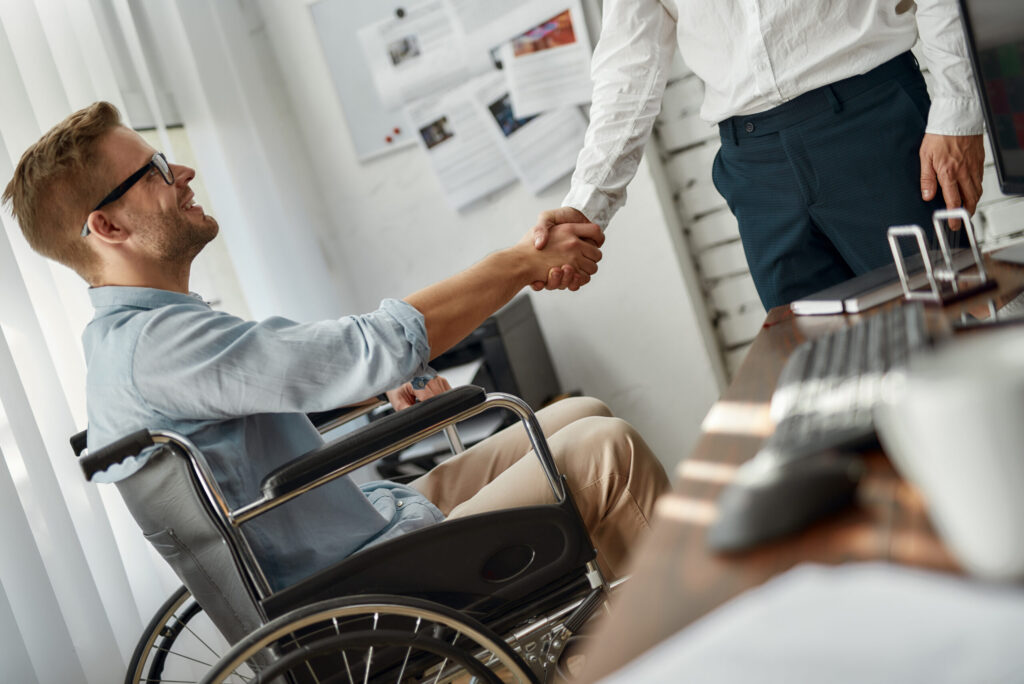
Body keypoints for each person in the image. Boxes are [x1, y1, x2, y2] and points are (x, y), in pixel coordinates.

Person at [2, 102, 669, 592]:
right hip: (363, 582)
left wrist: (370, 383)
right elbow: (363, 347)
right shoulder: (159, 345)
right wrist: (520, 263)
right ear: (107, 225)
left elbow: (265, 409)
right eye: (153, 169)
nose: (182, 168)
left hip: (363, 529)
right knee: (603, 454)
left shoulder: (139, 338)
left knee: (576, 417)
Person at [530, 0, 986, 310]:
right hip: (756, 169)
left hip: (873, 127)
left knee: (955, 323)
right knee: (822, 376)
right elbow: (629, 63)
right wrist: (584, 209)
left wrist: (958, 111)